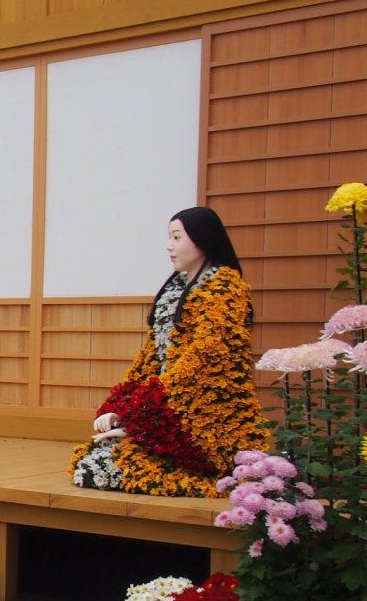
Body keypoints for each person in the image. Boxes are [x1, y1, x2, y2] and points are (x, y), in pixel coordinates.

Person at [70, 206, 273, 497]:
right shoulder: (176, 289)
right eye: (169, 237)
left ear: (202, 238)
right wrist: (120, 405)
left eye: (177, 237)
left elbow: (202, 363)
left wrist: (137, 418)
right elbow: (151, 359)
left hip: (203, 414)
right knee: (93, 459)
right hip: (165, 400)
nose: (169, 246)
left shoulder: (224, 288)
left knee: (106, 465)